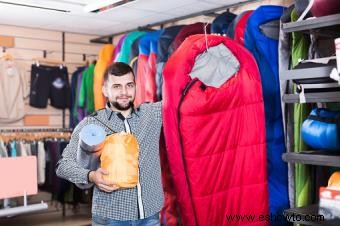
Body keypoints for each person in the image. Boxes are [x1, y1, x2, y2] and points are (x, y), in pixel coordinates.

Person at [56, 62, 163, 226]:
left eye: (129, 85)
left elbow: (187, 95)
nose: (124, 92)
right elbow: (62, 165)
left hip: (150, 216)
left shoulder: (153, 114)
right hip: (111, 218)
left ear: (136, 86)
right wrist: (91, 176)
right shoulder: (91, 124)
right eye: (116, 86)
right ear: (105, 90)